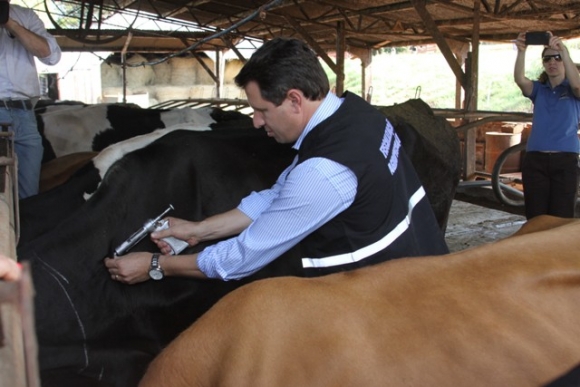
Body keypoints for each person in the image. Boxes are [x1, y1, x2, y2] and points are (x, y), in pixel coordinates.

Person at [104, 37, 449, 284]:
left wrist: (155, 264)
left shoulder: (323, 172)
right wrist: (198, 229)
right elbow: (277, 197)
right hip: (420, 263)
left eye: (261, 110)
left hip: (382, 295)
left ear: (295, 100)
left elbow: (241, 258)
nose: (255, 121)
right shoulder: (356, 115)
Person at [513, 31, 580, 219]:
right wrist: (521, 52)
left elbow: (577, 86)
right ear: (543, 63)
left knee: (561, 216)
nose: (552, 62)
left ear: (565, 61)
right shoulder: (538, 90)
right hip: (535, 161)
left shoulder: (574, 89)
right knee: (535, 216)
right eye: (547, 59)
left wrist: (565, 52)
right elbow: (520, 80)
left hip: (565, 160)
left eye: (557, 58)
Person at [0, 0, 61, 199]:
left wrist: (10, 22)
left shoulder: (25, 16)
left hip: (24, 114)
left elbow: (50, 55)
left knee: (28, 194)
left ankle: (23, 230)